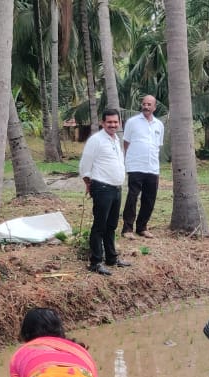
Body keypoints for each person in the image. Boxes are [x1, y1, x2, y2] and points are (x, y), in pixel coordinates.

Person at [79, 109, 130, 275]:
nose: (113, 125)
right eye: (109, 122)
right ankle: (96, 262)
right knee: (100, 226)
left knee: (112, 225)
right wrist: (89, 183)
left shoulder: (116, 140)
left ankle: (112, 258)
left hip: (116, 188)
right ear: (103, 123)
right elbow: (85, 165)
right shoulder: (96, 140)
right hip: (102, 187)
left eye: (115, 122)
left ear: (119, 123)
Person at [121, 95, 166, 240]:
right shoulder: (132, 122)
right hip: (136, 165)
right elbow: (126, 143)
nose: (146, 106)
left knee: (149, 198)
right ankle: (127, 228)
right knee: (133, 197)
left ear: (154, 107)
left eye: (149, 104)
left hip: (152, 167)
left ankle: (142, 227)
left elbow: (157, 146)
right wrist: (127, 161)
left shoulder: (159, 125)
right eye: (144, 104)